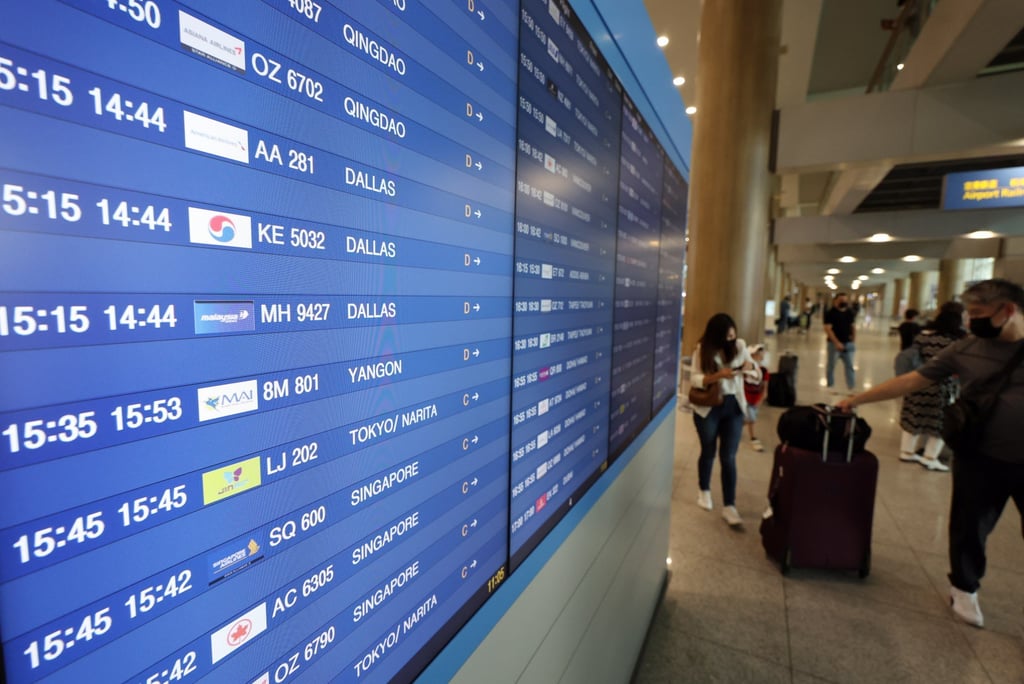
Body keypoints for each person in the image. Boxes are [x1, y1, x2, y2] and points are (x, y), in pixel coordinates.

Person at [837, 279, 1024, 629]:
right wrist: (857, 399)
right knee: (969, 526)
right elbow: (912, 380)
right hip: (980, 456)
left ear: (1008, 310)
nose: (971, 321)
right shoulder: (967, 349)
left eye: (979, 313)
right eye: (969, 313)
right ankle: (964, 587)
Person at [690, 313, 758, 526]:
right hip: (708, 408)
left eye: (733, 335)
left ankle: (730, 505)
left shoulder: (740, 346)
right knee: (708, 450)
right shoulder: (703, 350)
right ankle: (704, 490)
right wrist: (718, 376)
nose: (731, 339)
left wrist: (749, 367)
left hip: (733, 407)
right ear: (717, 335)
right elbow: (694, 378)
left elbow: (755, 371)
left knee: (729, 456)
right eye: (727, 336)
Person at [897, 302, 966, 471]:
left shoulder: (923, 336)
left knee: (913, 416)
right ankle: (930, 457)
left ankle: (906, 451)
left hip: (918, 381)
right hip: (944, 387)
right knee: (940, 422)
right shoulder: (959, 341)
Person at [823, 292, 857, 391]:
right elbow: (827, 329)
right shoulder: (830, 313)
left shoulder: (849, 312)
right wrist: (836, 342)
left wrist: (853, 341)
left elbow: (853, 327)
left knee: (850, 366)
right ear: (836, 301)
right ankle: (830, 385)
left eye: (845, 300)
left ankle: (851, 387)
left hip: (848, 343)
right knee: (831, 365)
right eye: (841, 300)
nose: (843, 302)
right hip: (833, 345)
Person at [743, 344, 769, 452]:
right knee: (751, 419)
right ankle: (753, 438)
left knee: (746, 419)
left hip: (755, 399)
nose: (762, 355)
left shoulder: (764, 371)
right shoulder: (745, 370)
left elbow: (765, 387)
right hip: (745, 399)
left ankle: (730, 429)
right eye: (759, 352)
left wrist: (761, 399)